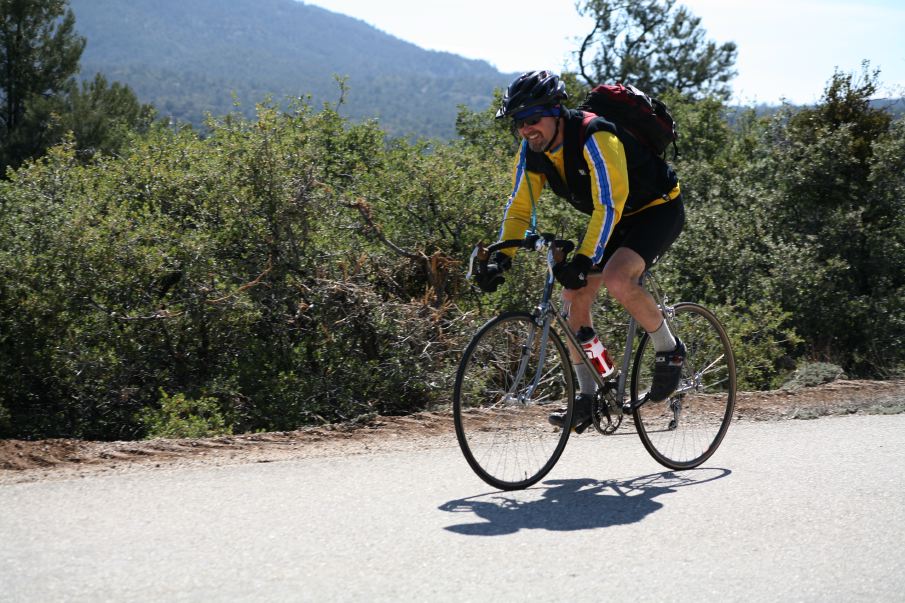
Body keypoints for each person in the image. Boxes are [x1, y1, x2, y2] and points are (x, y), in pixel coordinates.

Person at [475, 70, 686, 431]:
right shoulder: (533, 152)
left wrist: (585, 259)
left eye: (531, 118)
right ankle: (587, 395)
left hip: (657, 209)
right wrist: (501, 256)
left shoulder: (595, 135)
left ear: (556, 111)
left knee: (619, 279)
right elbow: (520, 208)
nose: (525, 129)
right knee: (574, 296)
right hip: (616, 216)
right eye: (518, 122)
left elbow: (610, 203)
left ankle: (670, 349)